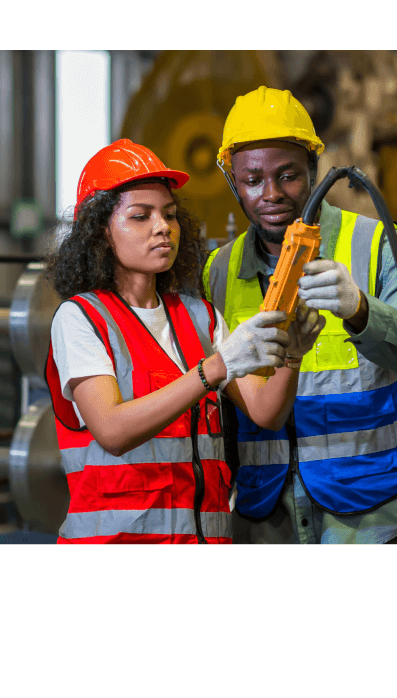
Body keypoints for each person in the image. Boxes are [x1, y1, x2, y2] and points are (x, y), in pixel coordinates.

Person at [203, 87, 397, 545]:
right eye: (253, 180)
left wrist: (365, 311)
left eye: (288, 176)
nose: (271, 194)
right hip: (266, 520)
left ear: (314, 169)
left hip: (371, 518)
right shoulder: (217, 272)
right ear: (232, 181)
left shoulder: (376, 244)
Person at [43, 138, 325, 544]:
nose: (163, 228)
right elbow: (112, 430)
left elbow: (266, 412)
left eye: (170, 215)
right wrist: (215, 368)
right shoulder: (81, 318)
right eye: (140, 217)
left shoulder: (199, 316)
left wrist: (291, 359)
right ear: (100, 232)